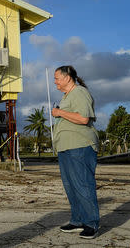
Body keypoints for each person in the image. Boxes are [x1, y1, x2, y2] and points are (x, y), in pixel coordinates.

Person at [51, 65, 100, 239]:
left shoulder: (79, 92)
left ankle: (91, 223)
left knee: (83, 184)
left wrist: (58, 112)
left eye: (57, 78)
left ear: (67, 78)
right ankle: (78, 220)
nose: (54, 81)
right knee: (71, 186)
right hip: (66, 147)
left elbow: (83, 118)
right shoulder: (67, 95)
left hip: (80, 146)